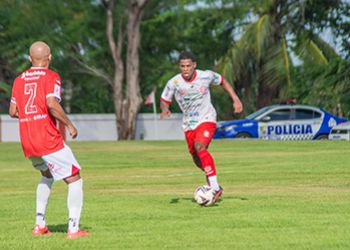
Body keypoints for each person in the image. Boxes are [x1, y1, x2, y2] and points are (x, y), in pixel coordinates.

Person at [9, 41, 88, 239]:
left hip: (28, 141)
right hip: (47, 139)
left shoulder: (19, 80)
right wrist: (69, 124)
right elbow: (51, 104)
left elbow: (12, 111)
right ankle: (73, 229)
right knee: (75, 179)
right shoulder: (51, 76)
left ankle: (39, 225)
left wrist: (30, 117)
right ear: (49, 57)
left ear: (29, 58)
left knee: (47, 175)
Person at [160, 51, 243, 203]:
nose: (185, 69)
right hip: (188, 124)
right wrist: (165, 109)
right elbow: (164, 99)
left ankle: (215, 187)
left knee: (200, 147)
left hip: (207, 118)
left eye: (188, 66)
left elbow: (223, 81)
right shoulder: (174, 83)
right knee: (197, 158)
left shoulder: (206, 76)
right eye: (182, 66)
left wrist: (235, 99)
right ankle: (213, 185)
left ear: (194, 65)